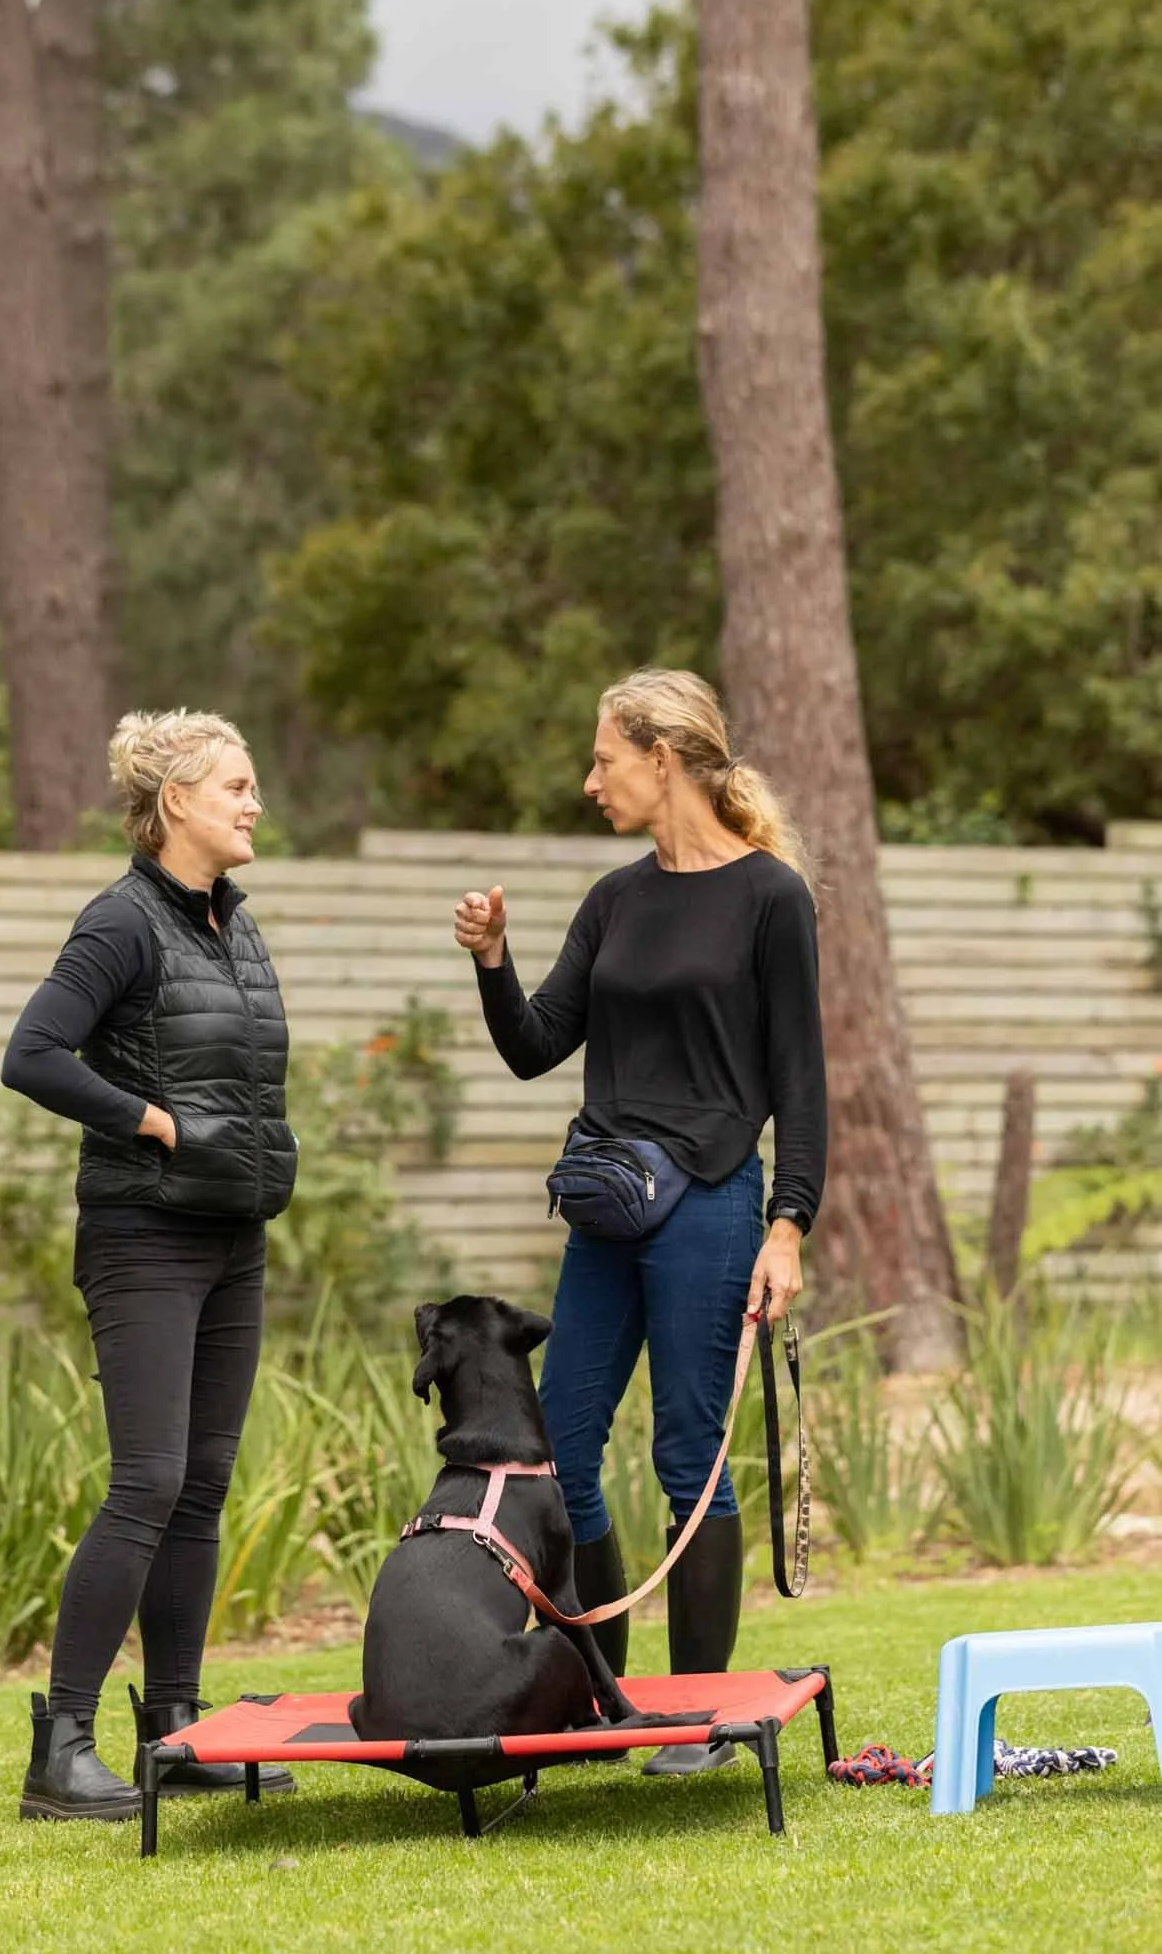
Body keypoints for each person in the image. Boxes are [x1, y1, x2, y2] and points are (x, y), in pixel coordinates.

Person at [452, 667, 826, 1777]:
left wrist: (788, 1225)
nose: (590, 779)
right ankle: (600, 1696)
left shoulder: (771, 897)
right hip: (608, 1207)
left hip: (712, 1202)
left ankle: (699, 1718)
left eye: (604, 758)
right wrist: (491, 960)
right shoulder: (614, 898)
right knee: (560, 1447)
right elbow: (534, 1045)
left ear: (661, 759)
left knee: (688, 1454)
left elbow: (800, 1081)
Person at [2, 709, 299, 1821]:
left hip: (233, 1237)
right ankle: (63, 1747)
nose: (254, 803)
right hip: (144, 1236)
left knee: (204, 1484)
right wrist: (154, 1123)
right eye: (235, 786)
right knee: (149, 1481)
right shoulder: (120, 921)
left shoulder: (236, 928)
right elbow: (32, 1053)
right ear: (175, 801)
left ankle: (175, 1730)